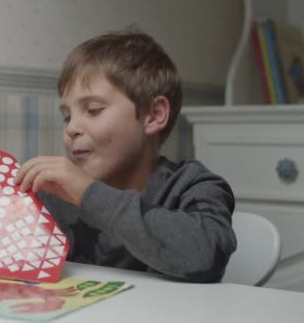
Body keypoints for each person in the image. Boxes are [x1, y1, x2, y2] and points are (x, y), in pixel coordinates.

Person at [14, 28, 236, 283]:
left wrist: (90, 195)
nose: (71, 128)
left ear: (153, 115)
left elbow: (204, 254)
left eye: (93, 110)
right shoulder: (56, 198)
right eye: (67, 116)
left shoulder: (193, 185)